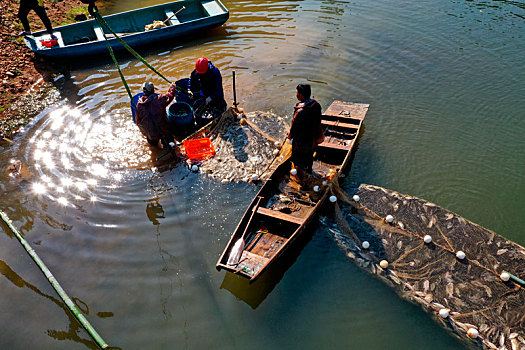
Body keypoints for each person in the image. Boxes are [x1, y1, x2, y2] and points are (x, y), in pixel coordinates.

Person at [287, 84, 324, 174]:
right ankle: (309, 170)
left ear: (301, 95)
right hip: (313, 138)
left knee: (298, 159)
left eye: (297, 93)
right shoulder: (316, 104)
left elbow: (294, 128)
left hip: (302, 141)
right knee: (309, 157)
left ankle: (300, 173)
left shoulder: (300, 112)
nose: (296, 95)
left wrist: (290, 135)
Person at [135, 82, 176, 148]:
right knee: (169, 141)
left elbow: (138, 121)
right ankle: (170, 149)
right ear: (153, 90)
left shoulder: (139, 105)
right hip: (162, 129)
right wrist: (173, 88)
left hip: (151, 132)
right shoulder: (159, 99)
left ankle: (155, 152)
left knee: (153, 145)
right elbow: (170, 96)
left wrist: (145, 131)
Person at [188, 57, 227, 124]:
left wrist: (211, 97)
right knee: (205, 103)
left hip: (214, 91)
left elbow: (218, 88)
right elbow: (192, 79)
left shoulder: (215, 72)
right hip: (205, 89)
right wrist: (189, 89)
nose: (200, 73)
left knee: (219, 104)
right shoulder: (198, 70)